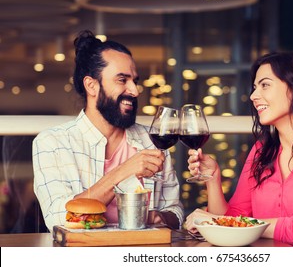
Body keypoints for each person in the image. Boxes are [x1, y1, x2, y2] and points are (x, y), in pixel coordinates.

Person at [185, 52, 293, 247]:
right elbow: (232, 219)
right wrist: (213, 179)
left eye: (265, 85)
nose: (253, 96)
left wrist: (229, 225)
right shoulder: (261, 150)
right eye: (254, 87)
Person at [33, 30, 184, 232]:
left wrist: (160, 217)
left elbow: (176, 211)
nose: (134, 90)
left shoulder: (152, 140)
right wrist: (123, 172)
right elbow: (58, 218)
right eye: (122, 80)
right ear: (91, 86)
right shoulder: (51, 143)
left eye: (135, 81)